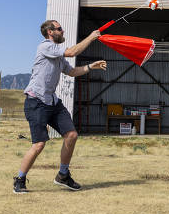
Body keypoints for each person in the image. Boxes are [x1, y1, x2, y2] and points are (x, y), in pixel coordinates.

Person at [13, 20, 107, 194]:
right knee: (39, 144)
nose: (62, 31)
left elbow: (71, 71)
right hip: (36, 102)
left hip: (52, 101)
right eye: (59, 29)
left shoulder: (58, 56)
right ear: (50, 32)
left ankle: (63, 175)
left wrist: (90, 67)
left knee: (71, 135)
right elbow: (71, 52)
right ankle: (20, 179)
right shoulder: (46, 47)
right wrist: (91, 37)